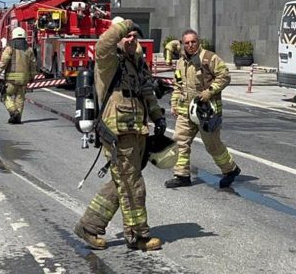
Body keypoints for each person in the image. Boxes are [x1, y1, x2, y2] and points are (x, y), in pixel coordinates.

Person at [75, 18, 166, 252]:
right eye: (127, 36)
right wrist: (124, 26)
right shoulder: (108, 61)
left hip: (136, 131)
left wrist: (158, 117)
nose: (132, 39)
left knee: (121, 183)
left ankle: (89, 226)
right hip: (118, 134)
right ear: (118, 36)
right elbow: (103, 43)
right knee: (133, 184)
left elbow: (147, 92)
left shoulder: (135, 62)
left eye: (135, 36)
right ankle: (138, 235)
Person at [165, 28, 242, 189]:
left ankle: (230, 170)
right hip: (186, 110)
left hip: (207, 111)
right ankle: (181, 175)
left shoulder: (209, 58)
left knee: (212, 145)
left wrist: (210, 91)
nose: (191, 45)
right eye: (187, 43)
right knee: (180, 141)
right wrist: (174, 104)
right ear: (183, 44)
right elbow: (178, 85)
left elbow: (225, 76)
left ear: (198, 41)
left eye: (193, 41)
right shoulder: (181, 62)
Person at [0, 27, 36, 124]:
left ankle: (13, 112)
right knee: (20, 99)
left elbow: (3, 62)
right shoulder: (29, 50)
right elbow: (33, 64)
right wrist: (32, 76)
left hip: (11, 79)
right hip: (24, 79)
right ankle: (18, 118)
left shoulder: (9, 48)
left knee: (5, 95)